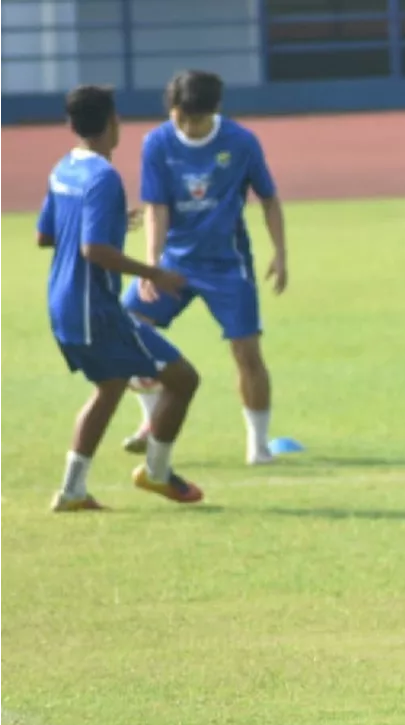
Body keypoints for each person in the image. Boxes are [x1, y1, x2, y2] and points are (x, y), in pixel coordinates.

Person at [38, 84, 204, 511]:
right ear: (113, 123)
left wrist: (111, 221)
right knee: (184, 379)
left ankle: (73, 491)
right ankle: (157, 472)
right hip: (96, 308)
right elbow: (94, 251)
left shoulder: (62, 169)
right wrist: (155, 273)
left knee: (109, 388)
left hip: (62, 302)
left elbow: (46, 234)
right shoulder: (104, 176)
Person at [119, 69, 288, 466]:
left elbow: (269, 198)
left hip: (227, 265)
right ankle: (150, 420)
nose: (187, 126)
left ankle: (258, 446)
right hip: (174, 261)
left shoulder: (241, 142)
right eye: (180, 116)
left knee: (247, 352)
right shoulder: (157, 142)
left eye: (195, 118)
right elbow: (156, 206)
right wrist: (151, 265)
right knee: (127, 327)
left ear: (214, 111)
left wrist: (280, 253)